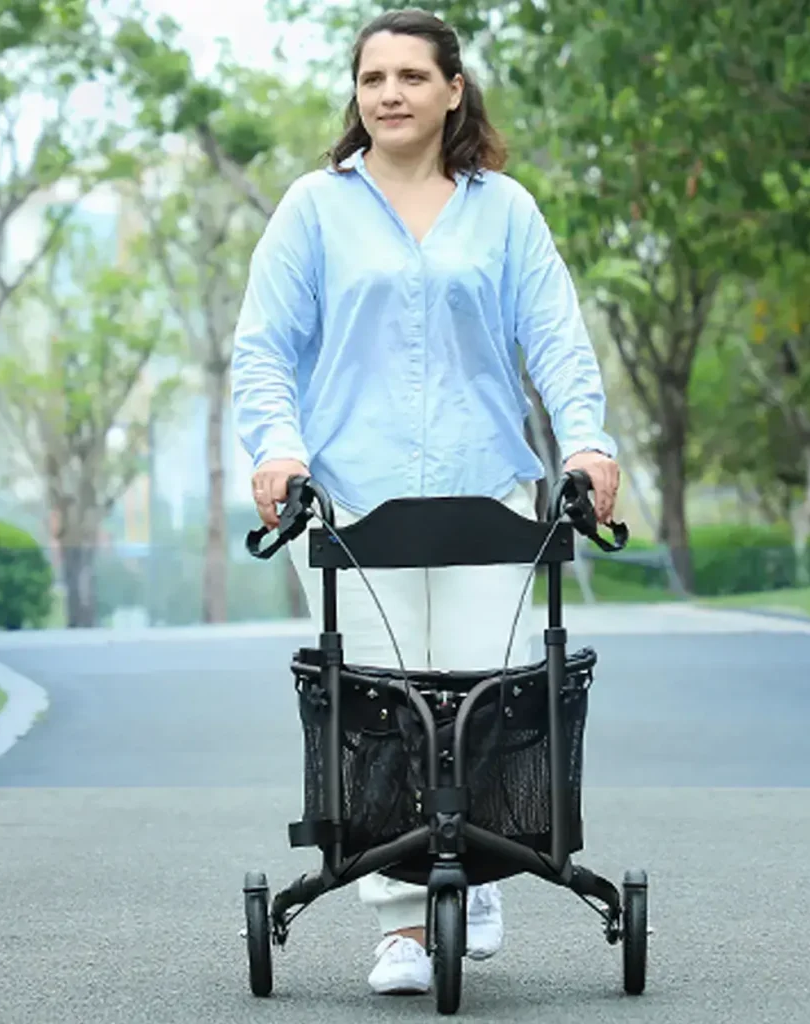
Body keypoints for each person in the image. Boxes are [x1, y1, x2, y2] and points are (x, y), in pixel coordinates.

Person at [231, 6, 621, 997]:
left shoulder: (504, 210)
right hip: (358, 503)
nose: (389, 94)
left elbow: (557, 341)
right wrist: (277, 451)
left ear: (454, 90)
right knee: (382, 711)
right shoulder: (315, 207)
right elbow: (264, 347)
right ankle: (402, 924)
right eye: (372, 79)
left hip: (488, 489)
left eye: (410, 76)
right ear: (355, 97)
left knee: (482, 697)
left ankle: (479, 865)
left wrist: (586, 441)